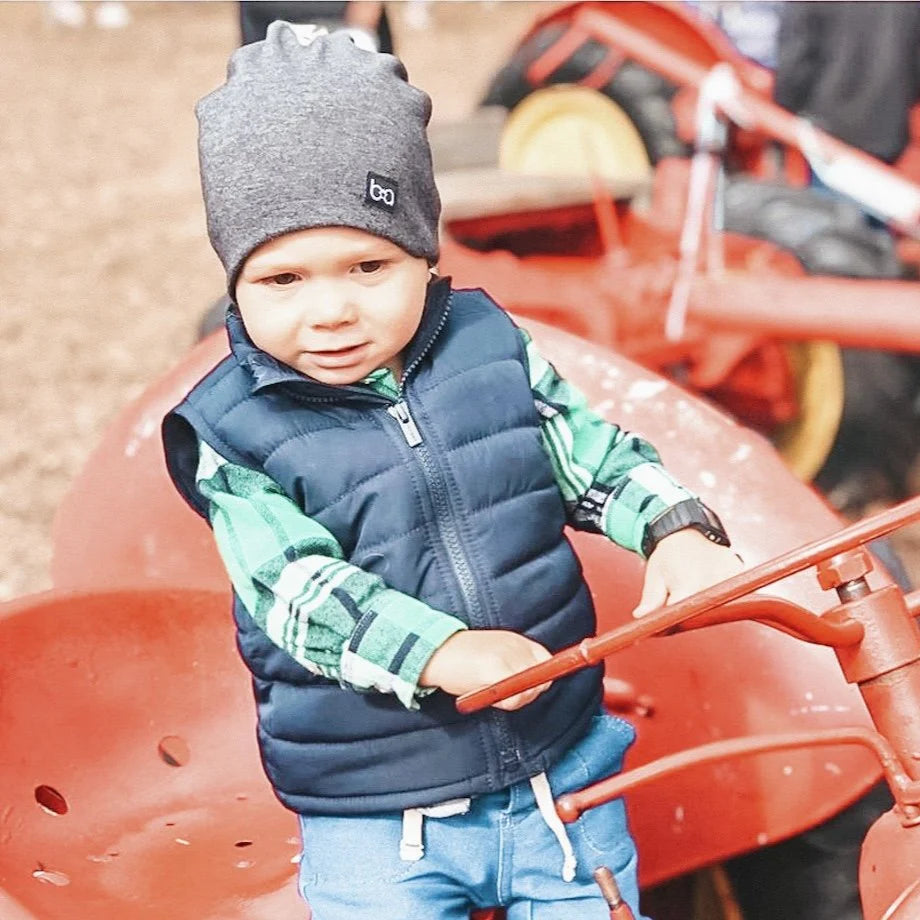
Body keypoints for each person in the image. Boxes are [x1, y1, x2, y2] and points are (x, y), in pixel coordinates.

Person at [161, 24, 742, 919]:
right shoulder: (234, 433)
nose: (331, 311)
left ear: (427, 256)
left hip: (561, 772)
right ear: (234, 283)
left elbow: (588, 458)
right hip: (374, 807)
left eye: (368, 264)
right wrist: (438, 652)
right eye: (282, 280)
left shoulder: (490, 346)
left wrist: (678, 528)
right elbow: (298, 593)